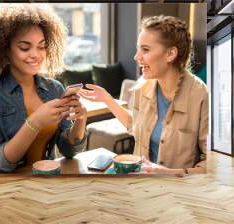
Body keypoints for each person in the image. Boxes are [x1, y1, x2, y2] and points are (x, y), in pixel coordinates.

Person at [80, 15, 208, 174]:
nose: (137, 57)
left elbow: (210, 164)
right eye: (138, 48)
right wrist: (107, 99)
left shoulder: (201, 95)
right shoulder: (142, 85)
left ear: (170, 54)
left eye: (145, 49)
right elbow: (134, 125)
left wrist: (168, 173)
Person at [0, 4, 87, 173]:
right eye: (24, 47)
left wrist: (80, 120)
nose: (36, 55)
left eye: (42, 46)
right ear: (5, 48)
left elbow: (68, 151)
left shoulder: (54, 89)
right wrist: (35, 122)